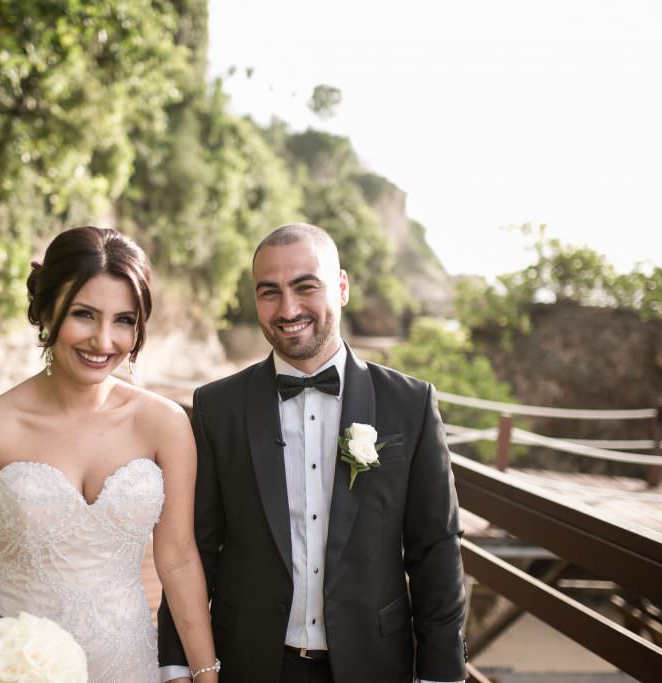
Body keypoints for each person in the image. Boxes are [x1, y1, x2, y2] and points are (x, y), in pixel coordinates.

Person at [158, 223, 467, 683]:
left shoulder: (411, 404)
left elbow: (435, 549)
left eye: (306, 287)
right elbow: (193, 547)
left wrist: (442, 674)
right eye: (269, 292)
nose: (288, 309)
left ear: (341, 288)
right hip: (246, 662)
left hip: (374, 663)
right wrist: (177, 662)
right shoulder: (215, 407)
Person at [0, 226, 219, 682]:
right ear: (45, 309)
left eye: (124, 320)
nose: (104, 342)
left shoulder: (165, 424)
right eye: (84, 314)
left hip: (129, 663)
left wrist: (204, 671)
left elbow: (178, 557)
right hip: (12, 670)